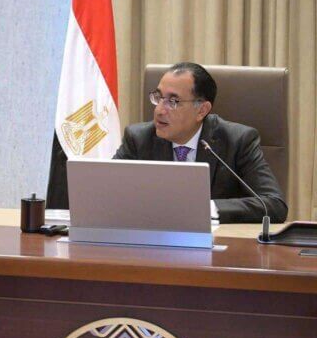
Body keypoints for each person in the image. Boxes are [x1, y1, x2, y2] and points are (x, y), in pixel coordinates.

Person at [114, 62, 288, 224]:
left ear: (202, 110)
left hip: (216, 242)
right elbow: (108, 194)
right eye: (158, 98)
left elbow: (274, 204)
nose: (159, 110)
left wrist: (205, 209)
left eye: (173, 101)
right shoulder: (138, 139)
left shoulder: (237, 141)